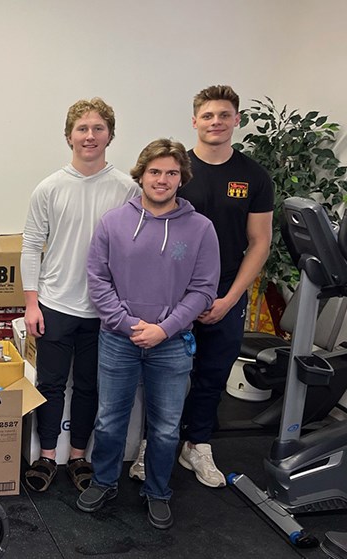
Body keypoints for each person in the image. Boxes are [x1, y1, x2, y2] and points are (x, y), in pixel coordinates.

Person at [79, 139, 220, 529]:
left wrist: (164, 329)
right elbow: (97, 279)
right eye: (155, 171)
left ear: (181, 178)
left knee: (164, 427)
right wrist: (128, 325)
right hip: (118, 340)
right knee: (109, 421)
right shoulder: (113, 223)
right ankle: (105, 480)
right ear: (140, 174)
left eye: (171, 173)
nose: (162, 179)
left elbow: (204, 289)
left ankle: (158, 490)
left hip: (172, 344)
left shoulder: (201, 229)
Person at [21, 98, 139, 493]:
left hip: (105, 311)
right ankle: (47, 457)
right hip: (55, 304)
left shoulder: (127, 189)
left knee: (90, 387)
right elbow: (31, 246)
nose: (90, 136)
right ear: (69, 135)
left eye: (98, 129)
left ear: (110, 135)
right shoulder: (49, 188)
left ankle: (78, 457)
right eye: (82, 129)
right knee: (51, 385)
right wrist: (32, 303)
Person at [176, 85, 274, 487]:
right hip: (174, 295)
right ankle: (153, 443)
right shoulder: (174, 168)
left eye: (224, 115)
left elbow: (260, 241)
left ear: (236, 120)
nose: (216, 122)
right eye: (208, 115)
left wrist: (231, 297)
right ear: (195, 120)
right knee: (164, 374)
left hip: (226, 294)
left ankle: (197, 444)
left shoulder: (253, 176)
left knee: (213, 374)